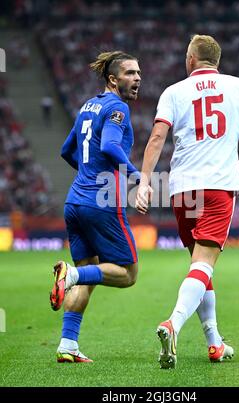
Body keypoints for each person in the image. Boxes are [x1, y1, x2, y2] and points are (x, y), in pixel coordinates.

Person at [136, 34, 239, 369]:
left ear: (191, 60)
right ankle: (173, 323)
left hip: (182, 190)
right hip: (218, 186)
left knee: (199, 265)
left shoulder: (173, 91)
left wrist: (143, 182)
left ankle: (215, 343)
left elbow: (157, 137)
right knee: (203, 264)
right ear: (217, 61)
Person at [50, 51, 141, 363]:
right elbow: (110, 146)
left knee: (89, 273)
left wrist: (88, 174)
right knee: (128, 274)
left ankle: (67, 345)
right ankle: (71, 274)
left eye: (138, 73)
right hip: (101, 203)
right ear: (113, 79)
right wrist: (137, 176)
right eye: (130, 73)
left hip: (74, 201)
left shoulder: (87, 106)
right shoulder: (117, 108)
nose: (137, 78)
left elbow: (66, 151)